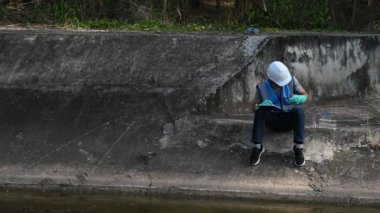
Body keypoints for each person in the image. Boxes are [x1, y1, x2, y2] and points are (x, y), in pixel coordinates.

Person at [249, 61, 308, 167]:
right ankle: (257, 147)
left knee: (298, 111)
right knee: (260, 112)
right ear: (271, 78)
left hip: (289, 121)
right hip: (272, 122)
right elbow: (254, 107)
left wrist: (301, 98)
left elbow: (304, 94)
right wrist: (259, 106)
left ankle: (298, 147)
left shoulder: (291, 80)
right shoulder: (262, 87)